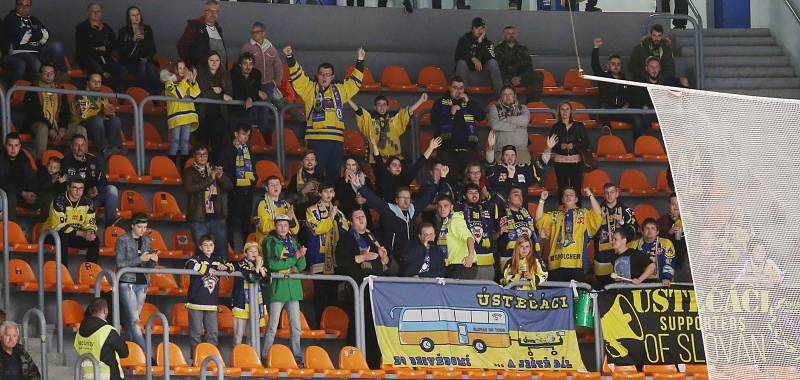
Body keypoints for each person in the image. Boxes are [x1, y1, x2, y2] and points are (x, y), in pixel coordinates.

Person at [284, 45, 365, 181]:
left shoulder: (339, 90)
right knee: (315, 175)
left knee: (333, 177)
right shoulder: (310, 89)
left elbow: (354, 84)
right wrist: (290, 57)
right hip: (317, 140)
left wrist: (360, 60)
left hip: (336, 141)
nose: (324, 77)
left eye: (327, 75)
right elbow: (298, 79)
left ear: (332, 77)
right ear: (317, 75)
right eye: (321, 74)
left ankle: (330, 202)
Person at [352, 172, 440, 274]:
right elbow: (375, 200)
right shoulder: (389, 209)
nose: (406, 201)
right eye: (403, 198)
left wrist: (436, 183)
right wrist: (360, 187)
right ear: (396, 200)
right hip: (392, 256)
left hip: (410, 256)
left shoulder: (413, 209)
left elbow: (425, 198)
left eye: (408, 198)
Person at [262, 215, 307, 364]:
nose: (283, 228)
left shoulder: (293, 241)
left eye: (285, 225)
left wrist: (300, 257)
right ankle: (265, 355)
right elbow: (273, 264)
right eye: (280, 225)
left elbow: (301, 266)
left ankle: (297, 356)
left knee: (296, 326)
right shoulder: (270, 241)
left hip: (293, 288)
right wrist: (295, 258)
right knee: (272, 326)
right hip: (278, 288)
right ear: (275, 226)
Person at [239, 21, 303, 123]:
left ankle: (304, 121)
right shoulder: (246, 48)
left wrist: (274, 83)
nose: (254, 34)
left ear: (264, 33)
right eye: (252, 32)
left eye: (257, 32)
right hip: (252, 84)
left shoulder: (271, 49)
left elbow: (278, 67)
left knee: (266, 108)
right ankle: (255, 133)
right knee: (256, 108)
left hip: (269, 84)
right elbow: (241, 66)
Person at [535, 187, 602, 282]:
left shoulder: (584, 214)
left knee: (576, 296)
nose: (568, 196)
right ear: (562, 199)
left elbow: (598, 214)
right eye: (565, 195)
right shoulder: (555, 215)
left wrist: (590, 195)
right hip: (555, 264)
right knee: (557, 296)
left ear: (576, 199)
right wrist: (542, 201)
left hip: (576, 264)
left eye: (571, 195)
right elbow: (539, 220)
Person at [22, 63, 85, 160]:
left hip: (57, 125)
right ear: (40, 74)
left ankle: (84, 161)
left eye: (51, 73)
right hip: (38, 124)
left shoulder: (59, 89)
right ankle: (41, 161)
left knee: (81, 129)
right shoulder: (32, 88)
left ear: (55, 75)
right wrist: (50, 128)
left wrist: (63, 128)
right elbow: (34, 113)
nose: (48, 75)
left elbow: (65, 111)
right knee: (43, 128)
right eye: (46, 73)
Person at [185, 235, 234, 357]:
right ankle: (195, 359)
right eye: (205, 245)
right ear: (201, 247)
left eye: (211, 245)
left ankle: (211, 358)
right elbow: (188, 264)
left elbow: (232, 267)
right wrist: (207, 269)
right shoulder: (197, 258)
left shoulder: (218, 259)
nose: (208, 247)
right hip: (195, 303)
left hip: (211, 304)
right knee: (195, 333)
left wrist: (225, 267)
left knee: (212, 333)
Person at [114, 213, 157, 352]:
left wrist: (153, 261)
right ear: (132, 225)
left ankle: (126, 352)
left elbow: (147, 267)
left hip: (142, 282)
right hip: (127, 282)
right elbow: (120, 264)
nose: (142, 230)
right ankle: (146, 354)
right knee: (134, 321)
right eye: (139, 227)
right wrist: (140, 259)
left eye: (145, 227)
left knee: (130, 321)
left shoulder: (146, 241)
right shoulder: (122, 240)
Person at [183, 144, 233, 259]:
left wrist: (221, 177)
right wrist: (211, 178)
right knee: (203, 252)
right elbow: (191, 188)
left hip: (217, 217)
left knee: (221, 251)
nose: (202, 157)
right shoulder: (189, 171)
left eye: (205, 154)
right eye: (199, 154)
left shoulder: (213, 169)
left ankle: (222, 276)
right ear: (194, 156)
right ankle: (204, 276)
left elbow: (229, 186)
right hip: (198, 218)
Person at [430, 76, 486, 179]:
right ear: (449, 88)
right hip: (447, 150)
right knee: (450, 181)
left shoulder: (469, 102)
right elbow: (434, 122)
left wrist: (469, 102)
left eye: (461, 88)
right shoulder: (440, 103)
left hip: (468, 150)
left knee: (471, 182)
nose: (458, 91)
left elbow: (481, 116)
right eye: (455, 87)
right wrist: (451, 113)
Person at [348, 93, 428, 163]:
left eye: (384, 104)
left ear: (388, 107)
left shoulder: (394, 121)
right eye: (379, 104)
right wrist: (347, 98)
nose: (382, 107)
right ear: (375, 107)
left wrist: (421, 100)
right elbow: (358, 111)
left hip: (395, 161)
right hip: (376, 161)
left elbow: (408, 111)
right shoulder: (369, 122)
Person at [3, 0, 65, 86]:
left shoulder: (33, 19)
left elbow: (47, 34)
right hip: (19, 52)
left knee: (57, 46)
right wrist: (37, 34)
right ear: (16, 6)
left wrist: (30, 35)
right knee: (36, 63)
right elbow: (24, 35)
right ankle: (37, 92)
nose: (24, 8)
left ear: (30, 7)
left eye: (27, 6)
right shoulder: (11, 18)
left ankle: (59, 81)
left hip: (37, 51)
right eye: (21, 5)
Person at [61, 134, 119, 224]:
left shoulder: (93, 160)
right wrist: (86, 191)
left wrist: (96, 189)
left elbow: (103, 180)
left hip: (93, 198)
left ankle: (110, 225)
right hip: (76, 200)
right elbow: (65, 185)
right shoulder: (65, 162)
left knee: (112, 190)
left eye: (82, 145)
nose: (80, 148)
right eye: (77, 145)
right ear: (71, 146)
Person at [485, 131, 555, 204]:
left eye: (512, 155)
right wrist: (490, 148)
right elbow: (490, 164)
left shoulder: (524, 169)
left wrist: (548, 149)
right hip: (501, 210)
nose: (510, 158)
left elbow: (541, 165)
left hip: (520, 211)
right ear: (502, 157)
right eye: (506, 155)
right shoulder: (497, 169)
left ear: (516, 157)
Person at [629, 56, 687, 141]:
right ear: (646, 68)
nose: (654, 69)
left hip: (664, 112)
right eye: (651, 67)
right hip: (648, 114)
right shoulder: (640, 81)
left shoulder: (667, 80)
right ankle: (646, 144)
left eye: (656, 67)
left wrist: (684, 85)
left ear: (660, 69)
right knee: (641, 118)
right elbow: (637, 99)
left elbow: (681, 91)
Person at [43, 178, 99, 265]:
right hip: (51, 234)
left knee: (95, 240)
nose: (78, 191)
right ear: (68, 188)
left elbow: (90, 221)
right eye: (75, 188)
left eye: (81, 188)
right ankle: (63, 272)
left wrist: (90, 232)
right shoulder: (59, 200)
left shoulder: (87, 202)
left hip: (74, 235)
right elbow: (58, 226)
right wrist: (82, 234)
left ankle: (90, 272)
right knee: (62, 237)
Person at [219, 124, 256, 250]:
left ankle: (249, 250)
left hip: (247, 191)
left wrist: (252, 183)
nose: (246, 138)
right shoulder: (227, 150)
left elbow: (253, 169)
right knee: (232, 222)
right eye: (243, 134)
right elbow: (223, 171)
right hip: (233, 191)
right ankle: (231, 249)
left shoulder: (248, 150)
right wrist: (232, 185)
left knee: (246, 222)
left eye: (248, 135)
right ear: (236, 134)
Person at [371, 136, 441, 202]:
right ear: (388, 168)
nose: (398, 167)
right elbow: (378, 159)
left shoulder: (405, 178)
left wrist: (431, 148)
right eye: (394, 165)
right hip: (386, 212)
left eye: (399, 165)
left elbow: (419, 164)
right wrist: (374, 145)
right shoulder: (383, 176)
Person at [74, 3, 126, 91]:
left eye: (98, 11)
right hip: (88, 59)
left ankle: (114, 95)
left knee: (122, 70)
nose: (96, 13)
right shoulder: (82, 28)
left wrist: (101, 49)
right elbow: (84, 48)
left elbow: (113, 45)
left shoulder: (107, 28)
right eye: (93, 11)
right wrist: (101, 49)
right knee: (97, 69)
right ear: (87, 13)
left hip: (106, 59)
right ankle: (102, 96)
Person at [72, 72, 126, 158]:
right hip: (84, 125)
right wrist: (102, 112)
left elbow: (108, 110)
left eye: (99, 82)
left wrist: (111, 112)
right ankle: (105, 149)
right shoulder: (80, 94)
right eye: (94, 81)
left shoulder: (102, 95)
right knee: (97, 120)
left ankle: (114, 148)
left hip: (100, 126)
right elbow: (84, 115)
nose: (97, 84)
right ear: (87, 82)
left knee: (115, 120)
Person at [594, 183, 637, 287]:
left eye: (612, 192)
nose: (609, 195)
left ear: (617, 193)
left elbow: (635, 232)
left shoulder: (627, 211)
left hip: (621, 256)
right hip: (602, 257)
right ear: (603, 195)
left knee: (622, 287)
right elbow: (590, 232)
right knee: (603, 289)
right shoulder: (596, 211)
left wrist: (622, 222)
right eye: (606, 193)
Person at [74, 298, 128, 380]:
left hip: (88, 377)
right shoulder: (108, 331)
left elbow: (78, 349)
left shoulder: (79, 332)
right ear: (105, 310)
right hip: (108, 376)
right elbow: (124, 353)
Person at [335, 209, 393, 283]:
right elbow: (341, 262)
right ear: (351, 223)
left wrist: (384, 257)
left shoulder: (375, 236)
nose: (361, 219)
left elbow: (388, 261)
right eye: (357, 217)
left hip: (381, 283)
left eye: (363, 216)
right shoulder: (346, 239)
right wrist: (363, 257)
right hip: (360, 285)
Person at [161, 60, 200, 167]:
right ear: (175, 69)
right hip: (176, 116)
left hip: (188, 115)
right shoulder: (169, 82)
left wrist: (193, 80)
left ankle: (184, 169)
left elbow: (195, 94)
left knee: (185, 141)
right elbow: (178, 94)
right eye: (180, 68)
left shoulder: (187, 81)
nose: (183, 70)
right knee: (175, 140)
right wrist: (186, 80)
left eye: (184, 68)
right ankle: (172, 167)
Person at [305, 182, 349, 275]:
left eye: (331, 191)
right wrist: (331, 218)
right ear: (320, 194)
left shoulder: (339, 213)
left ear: (334, 194)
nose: (329, 194)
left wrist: (339, 221)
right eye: (325, 192)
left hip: (336, 254)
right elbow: (316, 229)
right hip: (319, 253)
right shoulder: (311, 210)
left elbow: (345, 231)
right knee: (320, 286)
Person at [549, 101, 590, 198]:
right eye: (562, 109)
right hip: (560, 162)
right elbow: (550, 145)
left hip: (576, 162)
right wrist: (560, 146)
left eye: (567, 109)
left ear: (571, 111)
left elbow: (586, 142)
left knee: (576, 189)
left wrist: (574, 145)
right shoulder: (555, 127)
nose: (565, 112)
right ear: (559, 111)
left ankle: (577, 212)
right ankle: (562, 212)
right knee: (562, 189)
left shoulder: (579, 125)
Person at [196, 50, 232, 159]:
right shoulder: (201, 74)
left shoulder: (225, 74)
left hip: (220, 117)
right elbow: (203, 93)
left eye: (217, 60)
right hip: (204, 116)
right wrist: (221, 94)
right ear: (206, 61)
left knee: (218, 147)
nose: (214, 62)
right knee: (202, 146)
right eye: (211, 60)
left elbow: (229, 94)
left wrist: (219, 92)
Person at [116, 6, 160, 95]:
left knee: (150, 66)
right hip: (130, 62)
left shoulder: (147, 29)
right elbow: (122, 51)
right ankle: (140, 92)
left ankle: (155, 95)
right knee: (144, 65)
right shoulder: (123, 31)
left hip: (146, 60)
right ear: (129, 18)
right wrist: (133, 40)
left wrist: (147, 58)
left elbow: (152, 49)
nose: (136, 17)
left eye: (138, 14)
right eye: (133, 15)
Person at [231, 241, 268, 345]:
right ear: (245, 253)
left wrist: (260, 267)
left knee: (252, 337)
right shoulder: (241, 264)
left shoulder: (262, 265)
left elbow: (267, 281)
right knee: (238, 336)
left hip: (256, 304)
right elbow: (252, 278)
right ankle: (236, 358)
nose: (254, 253)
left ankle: (250, 359)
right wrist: (257, 268)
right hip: (241, 303)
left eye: (256, 251)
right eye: (251, 251)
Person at [494, 26, 543, 103]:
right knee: (501, 79)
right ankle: (507, 105)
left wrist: (520, 77)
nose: (511, 35)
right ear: (503, 36)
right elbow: (499, 69)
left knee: (538, 75)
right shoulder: (498, 49)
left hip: (521, 78)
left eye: (513, 33)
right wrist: (511, 78)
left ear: (517, 35)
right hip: (506, 79)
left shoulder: (523, 49)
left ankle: (531, 104)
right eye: (508, 33)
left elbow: (529, 67)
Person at [454, 17, 502, 95]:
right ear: (472, 29)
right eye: (477, 28)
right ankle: (461, 98)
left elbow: (490, 58)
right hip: (468, 77)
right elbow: (458, 56)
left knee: (493, 62)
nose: (480, 30)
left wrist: (480, 43)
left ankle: (501, 97)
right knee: (461, 63)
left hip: (484, 77)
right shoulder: (463, 40)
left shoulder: (488, 43)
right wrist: (472, 58)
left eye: (482, 28)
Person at [591, 37, 631, 128]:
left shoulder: (625, 80)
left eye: (618, 64)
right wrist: (596, 48)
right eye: (613, 64)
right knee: (604, 111)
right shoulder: (603, 77)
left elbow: (630, 96)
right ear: (608, 66)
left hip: (621, 111)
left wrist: (627, 104)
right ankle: (607, 134)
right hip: (607, 111)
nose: (616, 66)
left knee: (637, 117)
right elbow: (595, 66)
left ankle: (641, 139)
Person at [460, 183, 497, 280]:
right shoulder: (459, 209)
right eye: (470, 193)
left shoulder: (487, 208)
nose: (474, 195)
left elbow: (501, 195)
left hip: (487, 261)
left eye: (476, 192)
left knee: (487, 293)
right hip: (469, 262)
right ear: (464, 196)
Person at [497, 187, 540, 268]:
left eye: (521, 195)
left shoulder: (526, 214)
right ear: (508, 198)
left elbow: (534, 236)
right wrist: (499, 232)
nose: (520, 197)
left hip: (528, 259)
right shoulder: (501, 213)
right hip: (509, 258)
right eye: (516, 194)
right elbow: (491, 236)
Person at [434, 195, 476, 279]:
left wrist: (470, 256)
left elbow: (469, 238)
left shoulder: (455, 220)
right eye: (440, 206)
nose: (443, 209)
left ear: (451, 207)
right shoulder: (446, 222)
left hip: (462, 265)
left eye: (446, 206)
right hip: (452, 266)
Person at [488, 86, 532, 163]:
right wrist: (515, 126)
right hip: (501, 151)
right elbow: (495, 125)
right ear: (501, 97)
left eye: (510, 94)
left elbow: (525, 121)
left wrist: (506, 119)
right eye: (504, 94)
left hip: (521, 151)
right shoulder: (494, 108)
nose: (508, 97)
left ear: (515, 96)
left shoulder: (523, 108)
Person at [177, 0, 227, 68]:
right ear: (204, 12)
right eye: (209, 10)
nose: (213, 13)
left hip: (220, 74)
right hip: (202, 74)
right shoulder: (195, 26)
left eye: (216, 11)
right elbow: (181, 46)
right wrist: (191, 66)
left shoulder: (219, 29)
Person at [230, 52, 269, 135]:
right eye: (245, 64)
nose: (248, 67)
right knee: (234, 139)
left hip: (248, 113)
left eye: (250, 64)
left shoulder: (256, 74)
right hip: (234, 112)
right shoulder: (232, 74)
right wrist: (257, 93)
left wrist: (251, 97)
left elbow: (256, 88)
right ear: (240, 65)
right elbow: (237, 93)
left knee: (247, 140)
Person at [628, 218, 676, 286]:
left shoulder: (666, 243)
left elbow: (669, 262)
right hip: (638, 283)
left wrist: (667, 277)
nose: (650, 231)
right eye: (647, 228)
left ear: (657, 232)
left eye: (652, 228)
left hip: (661, 283)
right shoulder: (633, 245)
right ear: (642, 231)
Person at [2, 133, 37, 219]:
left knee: (45, 196)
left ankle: (45, 230)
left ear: (20, 146)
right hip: (8, 193)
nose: (13, 149)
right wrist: (23, 193)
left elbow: (31, 177)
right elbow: (3, 183)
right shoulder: (1, 158)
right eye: (10, 145)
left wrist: (33, 192)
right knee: (11, 197)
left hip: (24, 193)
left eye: (16, 145)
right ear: (5, 145)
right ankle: (10, 228)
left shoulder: (23, 157)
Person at [254, 175, 299, 244]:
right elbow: (264, 228)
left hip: (284, 244)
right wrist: (285, 218)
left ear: (281, 186)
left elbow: (295, 230)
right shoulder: (261, 203)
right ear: (266, 188)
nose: (275, 187)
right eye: (272, 185)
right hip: (267, 244)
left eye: (278, 184)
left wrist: (291, 220)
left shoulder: (286, 204)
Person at [658, 193, 691, 282]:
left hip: (687, 260)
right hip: (669, 259)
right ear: (669, 206)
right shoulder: (662, 221)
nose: (676, 207)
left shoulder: (690, 220)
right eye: (673, 204)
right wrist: (669, 232)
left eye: (678, 203)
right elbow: (655, 239)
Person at [334, 156, 374, 223]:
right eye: (348, 165)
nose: (351, 168)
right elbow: (338, 197)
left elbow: (372, 195)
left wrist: (365, 200)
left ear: (357, 166)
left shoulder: (365, 179)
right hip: (347, 211)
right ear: (345, 166)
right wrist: (345, 181)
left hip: (363, 211)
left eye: (353, 165)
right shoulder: (340, 181)